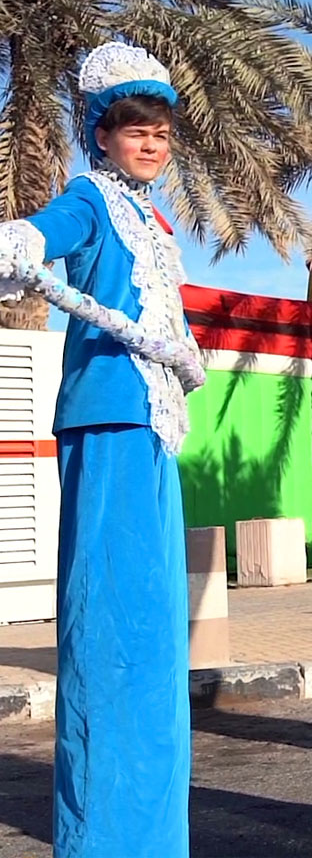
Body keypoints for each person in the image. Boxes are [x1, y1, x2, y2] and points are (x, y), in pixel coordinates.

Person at [0, 42, 201, 858]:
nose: (150, 142)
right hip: (109, 426)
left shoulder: (153, 220)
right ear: (100, 134)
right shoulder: (89, 200)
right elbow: (35, 236)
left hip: (151, 430)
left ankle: (154, 840)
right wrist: (18, 241)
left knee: (155, 646)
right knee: (113, 639)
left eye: (160, 130)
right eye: (131, 129)